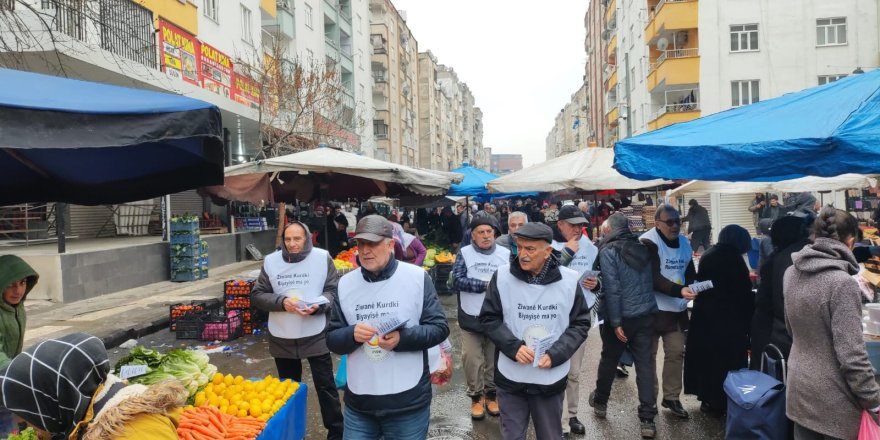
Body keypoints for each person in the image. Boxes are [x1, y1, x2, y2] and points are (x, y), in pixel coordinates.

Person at [326, 215, 449, 439]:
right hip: (360, 403)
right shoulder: (345, 284)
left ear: (390, 244)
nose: (365, 251)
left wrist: (402, 339)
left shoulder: (417, 277)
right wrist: (351, 334)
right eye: (360, 244)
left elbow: (439, 328)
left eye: (372, 243)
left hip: (407, 402)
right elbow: (332, 338)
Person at [480, 222, 591, 440]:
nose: (523, 254)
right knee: (511, 435)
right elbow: (488, 318)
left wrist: (557, 353)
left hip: (549, 378)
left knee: (550, 435)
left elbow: (580, 323)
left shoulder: (569, 280)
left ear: (548, 251)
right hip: (512, 376)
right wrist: (513, 347)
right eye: (519, 247)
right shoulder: (502, 276)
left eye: (530, 249)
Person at [784, 207, 880, 440]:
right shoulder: (842, 283)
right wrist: (874, 402)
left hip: (800, 389)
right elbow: (852, 357)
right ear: (850, 242)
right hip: (835, 401)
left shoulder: (791, 273)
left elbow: (791, 329)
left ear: (815, 238)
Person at [251, 222, 344, 440]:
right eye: (288, 239)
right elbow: (257, 294)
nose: (292, 244)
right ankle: (291, 433)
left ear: (307, 238)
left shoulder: (322, 257)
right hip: (282, 335)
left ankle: (337, 432)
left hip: (315, 332)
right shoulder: (271, 261)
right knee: (287, 390)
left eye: (297, 239)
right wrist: (281, 302)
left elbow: (332, 289)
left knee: (325, 386)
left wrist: (318, 306)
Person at [0, 332, 186, 440]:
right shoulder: (90, 412)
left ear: (50, 402)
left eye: (26, 410)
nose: (18, 420)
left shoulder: (132, 433)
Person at [587, 213, 659, 438]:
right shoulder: (643, 247)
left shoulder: (609, 251)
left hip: (620, 317)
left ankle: (600, 402)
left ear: (608, 230)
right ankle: (647, 418)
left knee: (609, 359)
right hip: (646, 314)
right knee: (646, 365)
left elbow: (613, 288)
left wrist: (617, 322)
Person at [683, 225, 754, 416]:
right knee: (725, 363)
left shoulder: (709, 253)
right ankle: (721, 401)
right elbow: (742, 292)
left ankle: (707, 398)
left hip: (704, 316)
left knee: (707, 361)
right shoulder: (733, 259)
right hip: (727, 319)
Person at [640, 205, 697, 419]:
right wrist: (679, 290)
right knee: (649, 357)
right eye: (669, 222)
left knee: (676, 352)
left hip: (676, 309)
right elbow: (651, 277)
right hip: (651, 308)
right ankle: (649, 402)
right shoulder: (648, 242)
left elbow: (689, 271)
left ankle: (671, 397)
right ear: (657, 224)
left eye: (677, 221)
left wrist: (694, 286)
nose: (674, 226)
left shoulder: (684, 243)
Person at [452, 213, 510, 419]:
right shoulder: (464, 253)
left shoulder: (505, 253)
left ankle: (491, 394)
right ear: (473, 235)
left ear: (494, 233)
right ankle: (476, 396)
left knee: (493, 358)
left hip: (496, 315)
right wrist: (484, 286)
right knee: (471, 357)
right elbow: (456, 281)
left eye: (489, 232)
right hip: (471, 315)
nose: (486, 236)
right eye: (480, 232)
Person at [551, 205, 599, 436]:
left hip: (580, 314)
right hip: (554, 316)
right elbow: (545, 275)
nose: (578, 229)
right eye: (573, 225)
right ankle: (557, 420)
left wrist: (597, 285)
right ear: (560, 224)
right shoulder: (548, 245)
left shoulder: (591, 248)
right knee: (556, 368)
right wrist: (567, 253)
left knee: (575, 372)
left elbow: (600, 277)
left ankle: (572, 415)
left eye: (581, 225)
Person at [751, 215, 812, 364]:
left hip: (776, 335)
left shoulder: (777, 259)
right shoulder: (805, 255)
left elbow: (763, 302)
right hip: (795, 336)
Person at [0, 255, 38, 436]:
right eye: (11, 284)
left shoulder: (16, 307)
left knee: (13, 429)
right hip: (3, 377)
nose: (18, 290)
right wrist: (15, 375)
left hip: (5, 380)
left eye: (22, 283)